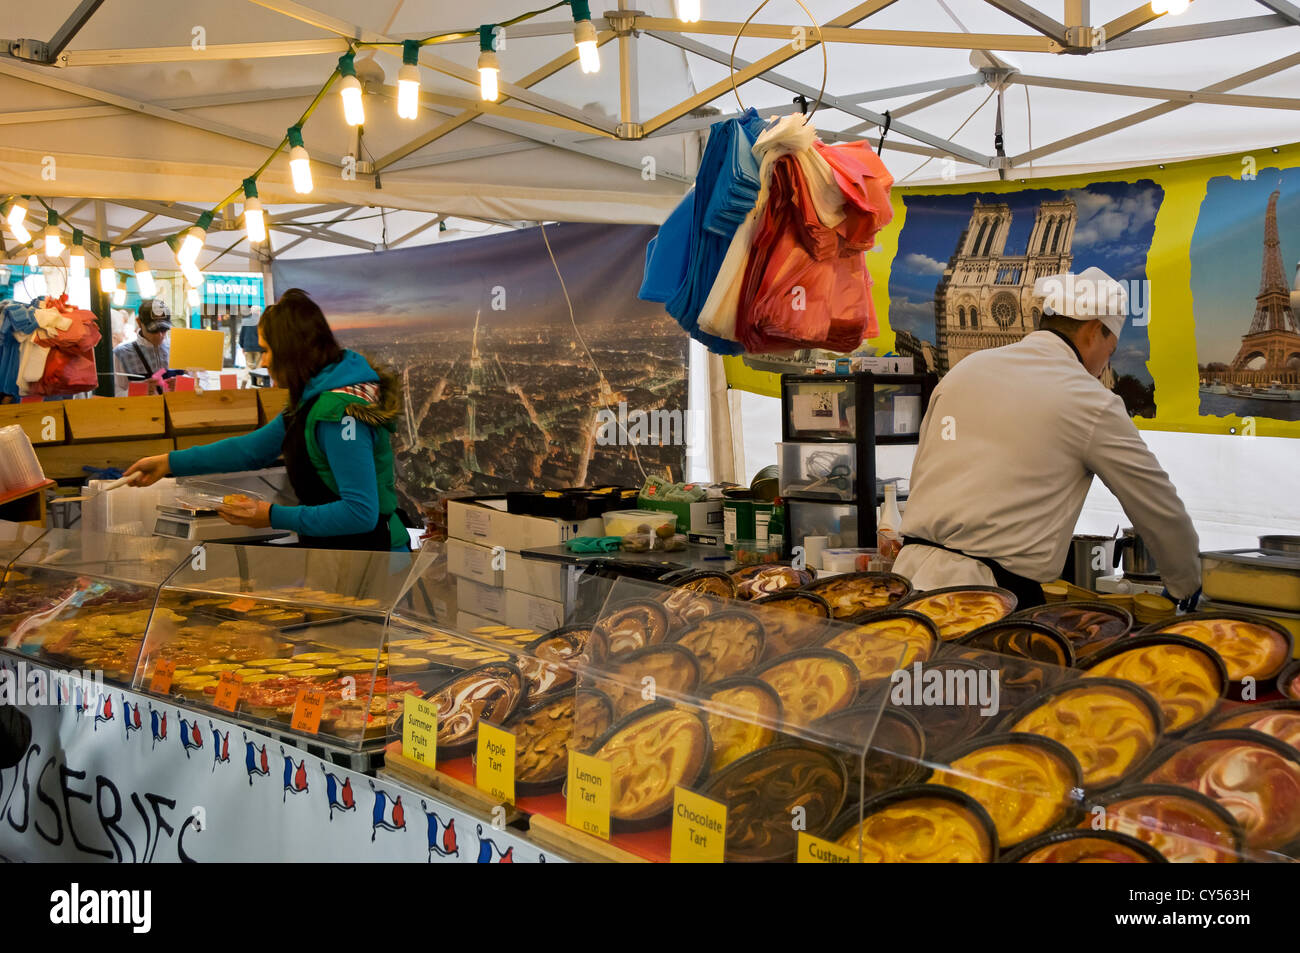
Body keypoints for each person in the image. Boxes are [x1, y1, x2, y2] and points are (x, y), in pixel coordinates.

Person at [892, 267, 1201, 609]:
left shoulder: (964, 371)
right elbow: (1157, 507)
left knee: (914, 665)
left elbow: (922, 470)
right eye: (1109, 351)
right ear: (1095, 330)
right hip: (986, 602)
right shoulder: (1088, 399)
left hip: (904, 584)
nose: (1102, 367)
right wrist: (1185, 586)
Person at [125, 289, 408, 551]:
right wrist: (168, 462)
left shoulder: (341, 414)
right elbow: (251, 450)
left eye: (267, 350)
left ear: (291, 352)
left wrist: (270, 515)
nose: (263, 362)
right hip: (336, 552)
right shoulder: (310, 399)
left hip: (374, 555)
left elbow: (359, 513)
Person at [113, 299, 172, 395]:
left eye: (164, 329)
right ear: (139, 322)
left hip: (177, 408)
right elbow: (115, 393)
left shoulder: (178, 350)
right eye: (154, 330)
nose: (160, 335)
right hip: (141, 409)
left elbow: (201, 385)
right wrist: (138, 391)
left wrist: (183, 385)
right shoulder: (121, 353)